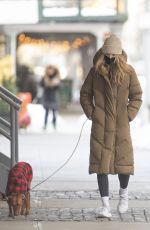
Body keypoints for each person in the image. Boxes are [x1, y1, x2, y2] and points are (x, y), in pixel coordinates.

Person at [80, 34, 142, 218]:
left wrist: (129, 114)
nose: (110, 57)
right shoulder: (95, 72)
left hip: (121, 125)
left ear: (119, 54)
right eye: (108, 54)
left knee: (123, 162)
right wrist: (92, 112)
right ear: (103, 52)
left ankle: (124, 196)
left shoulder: (129, 72)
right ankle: (105, 206)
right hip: (101, 125)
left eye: (114, 54)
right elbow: (85, 94)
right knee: (101, 164)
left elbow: (137, 96)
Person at [41, 65, 60, 129]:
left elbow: (58, 87)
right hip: (47, 96)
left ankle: (54, 124)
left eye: (52, 70)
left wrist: (53, 84)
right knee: (46, 112)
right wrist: (47, 83)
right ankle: (45, 124)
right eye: (49, 69)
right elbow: (41, 85)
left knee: (54, 111)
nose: (50, 71)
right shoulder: (45, 77)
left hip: (53, 96)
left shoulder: (56, 78)